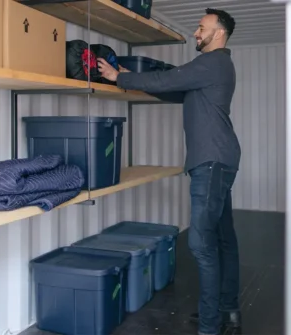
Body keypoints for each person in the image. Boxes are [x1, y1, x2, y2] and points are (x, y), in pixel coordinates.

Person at [97, 8, 241, 335]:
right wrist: (132, 81)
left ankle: (209, 325)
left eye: (201, 27)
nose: (196, 33)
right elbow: (172, 89)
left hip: (212, 162)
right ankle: (227, 312)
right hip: (220, 159)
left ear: (219, 33)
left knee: (202, 245)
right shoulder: (217, 68)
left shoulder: (212, 62)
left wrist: (119, 77)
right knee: (222, 240)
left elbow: (168, 79)